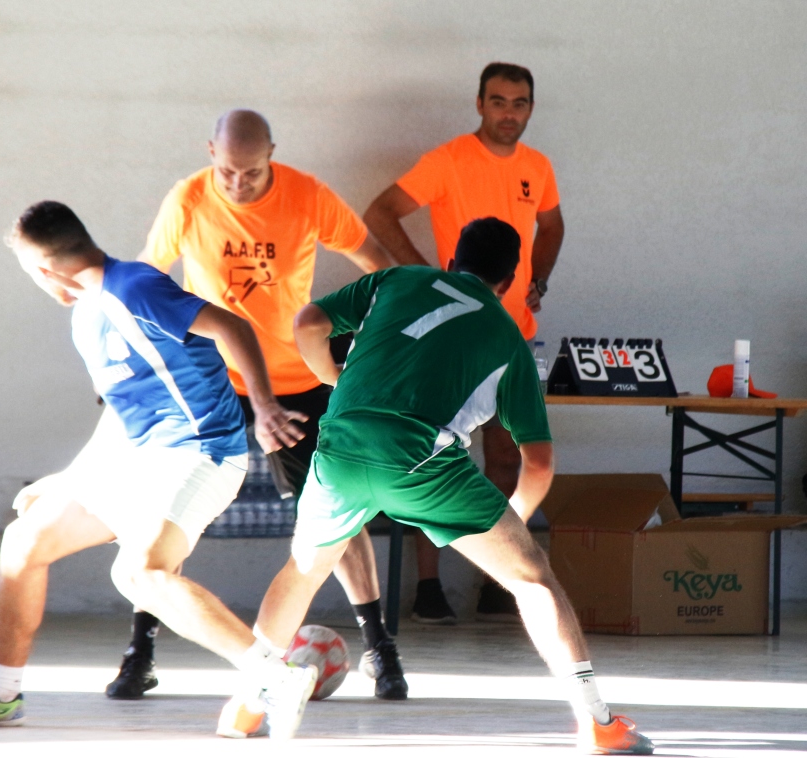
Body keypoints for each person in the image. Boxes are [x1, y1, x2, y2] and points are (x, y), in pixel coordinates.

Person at [221, 218, 653, 754]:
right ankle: (597, 724)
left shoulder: (395, 280)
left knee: (304, 571)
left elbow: (308, 321)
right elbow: (538, 462)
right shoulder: (508, 338)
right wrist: (512, 518)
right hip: (422, 465)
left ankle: (247, 703)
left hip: (341, 449)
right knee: (534, 580)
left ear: (451, 260)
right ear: (510, 280)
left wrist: (332, 377)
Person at [0, 201, 318, 740]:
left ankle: (275, 679)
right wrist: (71, 477)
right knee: (25, 540)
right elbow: (122, 416)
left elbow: (232, 327)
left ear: (43, 269)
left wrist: (263, 406)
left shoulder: (134, 287)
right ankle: (0, 696)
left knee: (138, 574)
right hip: (142, 458)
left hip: (201, 452)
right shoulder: (86, 316)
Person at [108, 109, 408, 701]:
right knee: (167, 519)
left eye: (251, 172)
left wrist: (380, 336)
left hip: (294, 378)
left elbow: (378, 262)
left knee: (335, 510)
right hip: (207, 379)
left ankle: (380, 648)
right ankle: (139, 651)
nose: (238, 184)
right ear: (209, 153)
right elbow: (144, 277)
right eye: (227, 172)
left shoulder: (308, 195)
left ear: (272, 153)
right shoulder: (189, 199)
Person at [364, 62, 566, 621]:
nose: (509, 113)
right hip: (448, 336)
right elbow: (380, 212)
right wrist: (430, 279)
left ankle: (498, 580)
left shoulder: (537, 166)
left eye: (520, 103)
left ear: (530, 108)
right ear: (479, 104)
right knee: (429, 453)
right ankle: (429, 587)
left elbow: (551, 226)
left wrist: (539, 279)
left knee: (507, 455)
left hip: (510, 334)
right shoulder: (448, 160)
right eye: (498, 101)